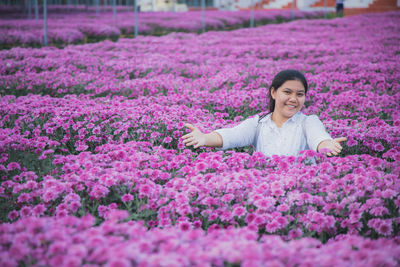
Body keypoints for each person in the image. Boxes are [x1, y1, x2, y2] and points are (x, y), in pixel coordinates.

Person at [182, 69, 347, 157]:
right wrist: (204, 138)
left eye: (299, 94)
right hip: (264, 192)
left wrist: (327, 145)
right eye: (287, 92)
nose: (293, 99)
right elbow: (230, 136)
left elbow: (318, 137)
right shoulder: (258, 124)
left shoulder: (308, 122)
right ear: (274, 93)